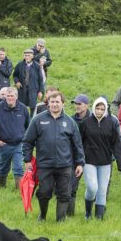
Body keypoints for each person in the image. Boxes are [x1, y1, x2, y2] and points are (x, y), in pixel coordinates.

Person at [23, 91, 85, 222]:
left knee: (64, 194)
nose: (55, 104)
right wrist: (27, 159)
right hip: (45, 165)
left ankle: (60, 220)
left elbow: (77, 145)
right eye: (52, 102)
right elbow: (28, 141)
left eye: (57, 102)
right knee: (44, 192)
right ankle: (43, 215)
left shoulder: (70, 122)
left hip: (65, 166)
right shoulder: (38, 120)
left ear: (63, 103)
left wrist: (80, 163)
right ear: (48, 103)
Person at [79, 97, 121, 220]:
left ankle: (99, 218)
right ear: (93, 108)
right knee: (93, 187)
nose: (99, 111)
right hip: (89, 161)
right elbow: (78, 143)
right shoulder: (85, 123)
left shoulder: (110, 124)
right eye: (97, 108)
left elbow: (116, 144)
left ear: (105, 110)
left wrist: (120, 163)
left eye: (102, 109)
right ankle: (88, 213)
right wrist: (78, 159)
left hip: (105, 162)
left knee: (102, 190)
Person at [0, 87, 31, 187]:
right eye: (8, 96)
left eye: (12, 96)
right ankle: (1, 187)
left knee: (18, 168)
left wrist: (26, 139)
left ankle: (19, 190)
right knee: (3, 168)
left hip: (19, 144)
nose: (10, 98)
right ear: (5, 96)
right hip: (4, 144)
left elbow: (28, 125)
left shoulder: (23, 108)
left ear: (16, 96)